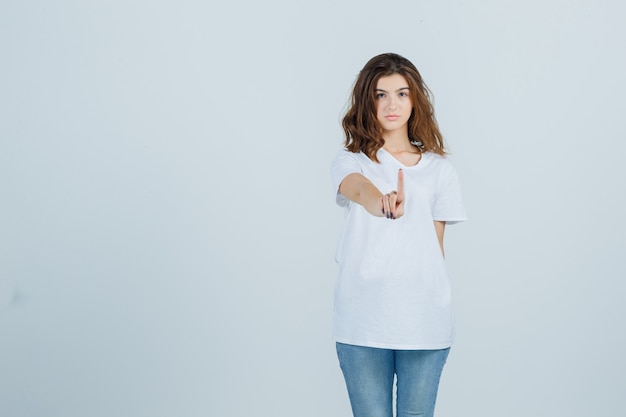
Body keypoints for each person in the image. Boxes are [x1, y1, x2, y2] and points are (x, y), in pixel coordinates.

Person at [330, 52, 467, 417]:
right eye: (381, 94)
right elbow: (358, 191)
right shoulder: (352, 161)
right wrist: (383, 202)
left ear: (414, 100)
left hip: (424, 321)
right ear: (367, 101)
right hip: (362, 322)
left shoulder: (440, 170)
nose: (392, 104)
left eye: (402, 93)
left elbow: (435, 248)